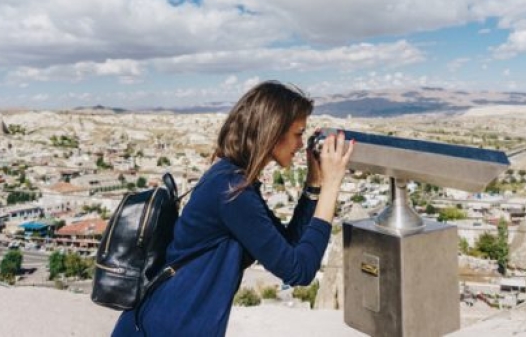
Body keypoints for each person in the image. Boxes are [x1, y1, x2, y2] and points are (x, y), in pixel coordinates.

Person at [111, 80, 354, 336]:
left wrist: (314, 184)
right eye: (297, 133)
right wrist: (331, 186)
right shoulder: (231, 192)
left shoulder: (233, 181)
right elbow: (299, 270)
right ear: (272, 133)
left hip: (171, 317)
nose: (300, 144)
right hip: (168, 324)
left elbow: (290, 244)